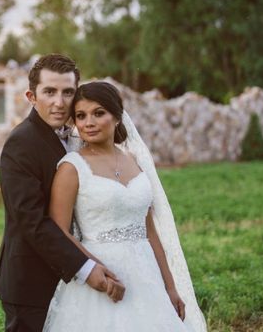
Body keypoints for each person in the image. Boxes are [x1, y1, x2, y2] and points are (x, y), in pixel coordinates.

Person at [43, 81, 207, 331]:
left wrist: (170, 287)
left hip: (146, 274)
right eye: (81, 116)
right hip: (102, 275)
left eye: (99, 113)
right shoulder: (71, 167)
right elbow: (59, 231)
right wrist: (95, 271)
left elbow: (150, 231)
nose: (89, 122)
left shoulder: (134, 160)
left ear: (117, 116)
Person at [0, 55, 125, 332]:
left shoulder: (80, 136)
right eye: (49, 92)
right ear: (31, 96)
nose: (59, 102)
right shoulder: (21, 143)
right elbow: (33, 221)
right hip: (32, 281)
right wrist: (85, 268)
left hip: (74, 274)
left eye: (68, 92)